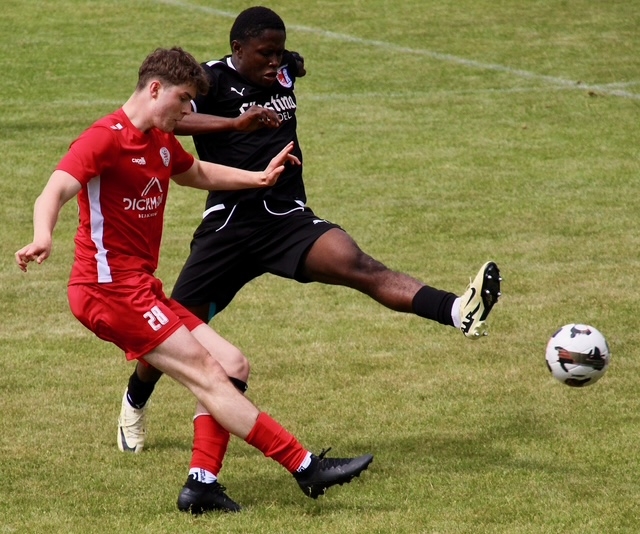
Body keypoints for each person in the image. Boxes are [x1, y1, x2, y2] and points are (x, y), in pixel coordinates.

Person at [117, 6, 502, 511]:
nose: (273, 61)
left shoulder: (282, 68)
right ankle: (134, 402)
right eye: (264, 53)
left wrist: (291, 61)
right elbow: (175, 118)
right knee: (170, 332)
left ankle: (457, 310)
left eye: (279, 52)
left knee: (360, 265)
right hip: (228, 228)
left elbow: (288, 62)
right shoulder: (210, 80)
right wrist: (236, 123)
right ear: (237, 49)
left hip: (286, 219)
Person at [15, 46, 373, 514]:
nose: (187, 112)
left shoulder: (161, 141)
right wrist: (43, 235)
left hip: (139, 287)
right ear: (155, 89)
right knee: (208, 374)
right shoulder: (104, 139)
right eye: (183, 99)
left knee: (232, 364)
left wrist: (257, 179)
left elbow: (196, 171)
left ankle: (201, 484)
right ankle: (305, 467)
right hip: (107, 291)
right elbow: (55, 188)